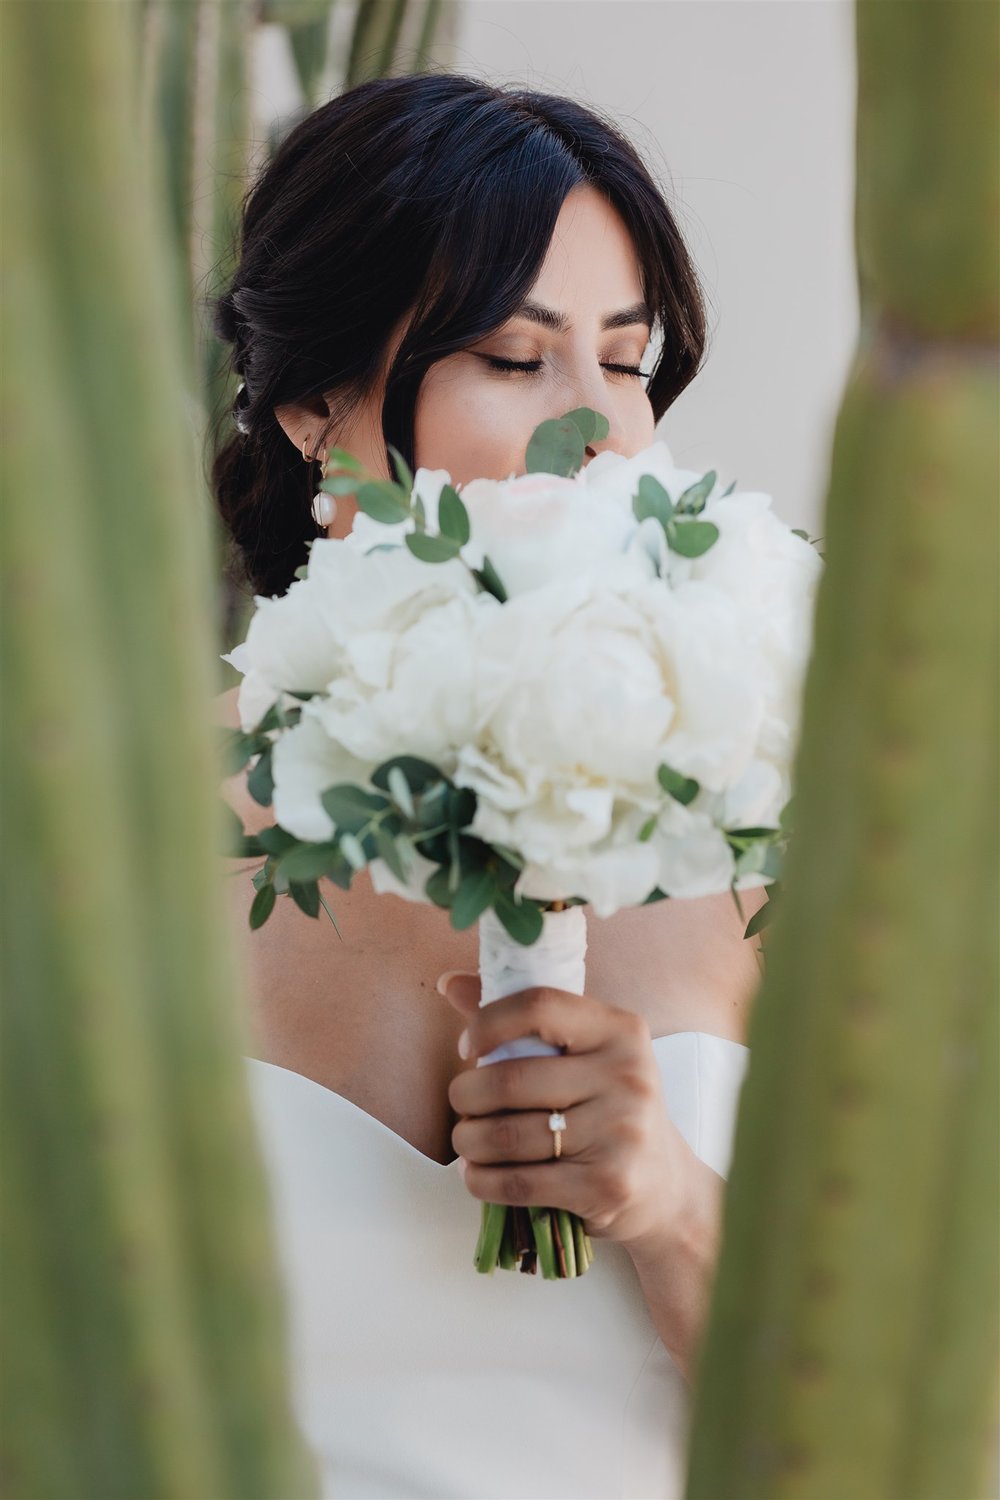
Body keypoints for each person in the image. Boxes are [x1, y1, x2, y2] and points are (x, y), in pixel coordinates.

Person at [211, 71, 766, 1499]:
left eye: (626, 362)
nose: (597, 430)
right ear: (311, 409)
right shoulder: (125, 838)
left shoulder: (766, 808)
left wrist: (674, 1210)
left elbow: (930, 1433)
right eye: (517, 360)